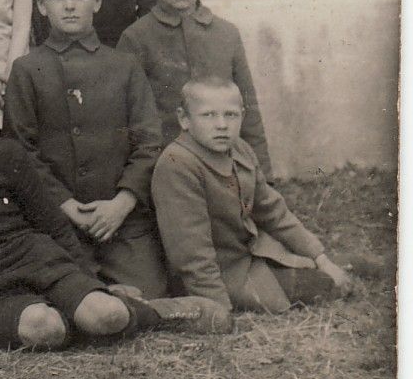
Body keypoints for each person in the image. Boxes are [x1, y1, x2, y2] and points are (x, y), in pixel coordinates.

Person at [0, 59, 226, 350]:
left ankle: (158, 313)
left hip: (29, 261)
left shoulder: (6, 154)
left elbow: (51, 223)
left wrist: (90, 281)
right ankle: (66, 319)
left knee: (107, 315)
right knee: (42, 328)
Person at [6, 0, 171, 296]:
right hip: (56, 220)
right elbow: (20, 151)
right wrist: (66, 206)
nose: (69, 6)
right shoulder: (27, 69)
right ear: (41, 6)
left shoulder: (124, 66)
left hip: (120, 221)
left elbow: (149, 143)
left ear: (96, 1)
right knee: (67, 294)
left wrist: (122, 203)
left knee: (148, 293)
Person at [151, 79, 353, 314]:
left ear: (242, 116)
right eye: (208, 115)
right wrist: (218, 308)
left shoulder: (240, 149)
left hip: (249, 254)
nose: (221, 125)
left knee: (320, 266)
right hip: (218, 273)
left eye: (231, 115)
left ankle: (340, 262)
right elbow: (191, 253)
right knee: (321, 285)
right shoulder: (178, 163)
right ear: (184, 119)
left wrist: (321, 258)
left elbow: (273, 211)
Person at [119, 0, 271, 172]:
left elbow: (248, 110)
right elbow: (127, 118)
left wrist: (263, 176)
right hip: (163, 167)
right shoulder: (136, 37)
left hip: (223, 166)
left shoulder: (226, 34)